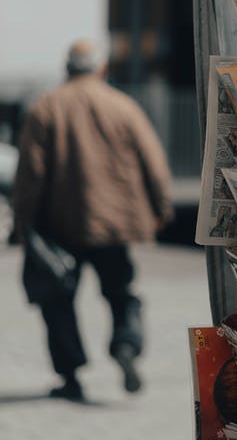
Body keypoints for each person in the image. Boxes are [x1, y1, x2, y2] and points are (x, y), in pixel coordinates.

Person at [12, 39, 174, 401]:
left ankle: (71, 376)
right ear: (102, 68)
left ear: (67, 68)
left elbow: (30, 175)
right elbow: (154, 161)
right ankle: (126, 346)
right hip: (113, 226)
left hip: (60, 226)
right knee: (121, 292)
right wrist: (161, 207)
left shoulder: (46, 107)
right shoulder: (123, 107)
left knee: (57, 300)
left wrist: (24, 223)